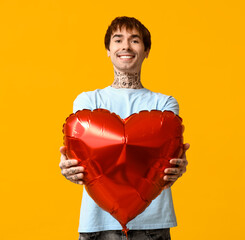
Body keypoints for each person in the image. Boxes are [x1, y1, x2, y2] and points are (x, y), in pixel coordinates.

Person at [59, 16, 189, 240]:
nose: (126, 46)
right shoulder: (88, 102)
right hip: (97, 225)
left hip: (152, 225)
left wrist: (177, 167)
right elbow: (80, 156)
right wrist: (69, 166)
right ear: (108, 50)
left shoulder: (165, 104)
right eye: (118, 40)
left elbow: (166, 159)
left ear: (147, 51)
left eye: (135, 40)